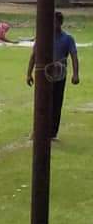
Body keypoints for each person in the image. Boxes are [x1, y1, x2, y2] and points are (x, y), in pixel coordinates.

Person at [29, 10, 80, 140]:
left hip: (59, 75)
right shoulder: (43, 37)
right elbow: (34, 55)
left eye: (55, 22)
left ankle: (52, 132)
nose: (52, 25)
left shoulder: (68, 39)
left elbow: (74, 56)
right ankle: (38, 129)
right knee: (42, 102)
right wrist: (28, 73)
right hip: (44, 75)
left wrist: (75, 74)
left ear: (60, 23)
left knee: (56, 103)